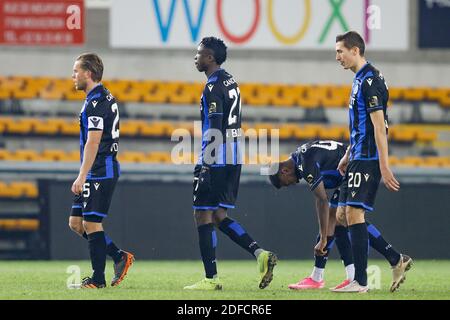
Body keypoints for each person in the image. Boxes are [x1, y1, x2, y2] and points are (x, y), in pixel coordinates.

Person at [184, 37, 277, 291]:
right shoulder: (231, 80)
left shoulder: (213, 87)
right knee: (218, 214)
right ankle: (260, 254)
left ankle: (211, 279)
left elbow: (214, 125)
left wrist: (206, 164)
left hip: (217, 157)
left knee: (202, 213)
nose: (196, 57)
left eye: (199, 53)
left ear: (210, 58)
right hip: (234, 156)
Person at [269, 140, 412, 292]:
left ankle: (318, 277)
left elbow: (322, 199)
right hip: (351, 168)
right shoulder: (300, 155)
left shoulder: (304, 163)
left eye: (286, 183)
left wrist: (323, 238)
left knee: (343, 217)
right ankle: (372, 268)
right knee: (340, 220)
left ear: (284, 171)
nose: (290, 184)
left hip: (356, 168)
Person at [333, 31, 411, 292]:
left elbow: (379, 126)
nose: (337, 57)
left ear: (355, 50)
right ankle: (395, 258)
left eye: (340, 51)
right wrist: (347, 154)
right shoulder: (359, 80)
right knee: (342, 215)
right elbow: (361, 125)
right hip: (356, 155)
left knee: (354, 213)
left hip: (368, 157)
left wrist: (384, 165)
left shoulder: (370, 81)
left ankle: (360, 282)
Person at [68, 53, 134, 289]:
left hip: (101, 169)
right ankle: (118, 256)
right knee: (76, 223)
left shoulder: (97, 102)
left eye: (76, 71)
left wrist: (82, 174)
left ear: (88, 73)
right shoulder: (98, 97)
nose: (73, 75)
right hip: (94, 168)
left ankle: (98, 279)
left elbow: (93, 142)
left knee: (92, 224)